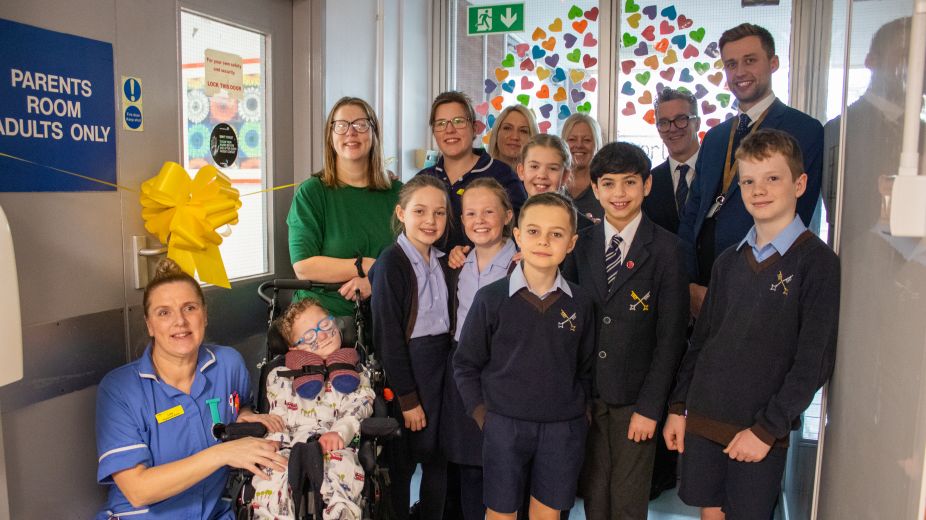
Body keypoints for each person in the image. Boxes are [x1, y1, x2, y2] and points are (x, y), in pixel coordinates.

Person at [663, 130, 840, 520]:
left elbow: (813, 362)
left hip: (761, 428)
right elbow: (702, 342)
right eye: (748, 181)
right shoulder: (728, 260)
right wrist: (678, 406)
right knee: (710, 512)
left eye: (772, 178)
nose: (759, 190)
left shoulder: (817, 263)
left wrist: (767, 430)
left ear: (800, 184)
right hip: (706, 417)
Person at [95, 258, 287, 519]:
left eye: (189, 308)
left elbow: (240, 403)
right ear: (149, 324)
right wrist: (222, 453)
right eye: (164, 312)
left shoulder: (228, 364)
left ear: (204, 315)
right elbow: (138, 490)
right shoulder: (119, 389)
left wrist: (245, 416)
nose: (180, 322)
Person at [562, 142, 688, 519]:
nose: (619, 193)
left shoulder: (667, 250)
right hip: (588, 397)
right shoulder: (580, 245)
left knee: (628, 500)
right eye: (609, 184)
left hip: (636, 401)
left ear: (647, 185)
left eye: (630, 182)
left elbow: (671, 339)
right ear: (595, 188)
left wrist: (651, 407)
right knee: (594, 495)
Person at [454, 192, 595, 520]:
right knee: (501, 512)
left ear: (571, 243)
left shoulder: (581, 303)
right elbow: (465, 363)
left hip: (562, 428)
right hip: (504, 425)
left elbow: (587, 367)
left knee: (547, 513)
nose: (543, 241)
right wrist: (483, 415)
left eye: (556, 234)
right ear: (517, 235)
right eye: (533, 231)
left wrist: (581, 415)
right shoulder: (491, 299)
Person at [678, 23, 823, 319]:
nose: (740, 72)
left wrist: (752, 285)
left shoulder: (804, 130)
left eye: (750, 60)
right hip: (701, 282)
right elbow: (692, 214)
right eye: (731, 64)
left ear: (773, 63)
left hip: (757, 283)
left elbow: (799, 216)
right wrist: (689, 283)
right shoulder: (716, 137)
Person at [369, 175, 458, 520]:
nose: (430, 221)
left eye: (439, 213)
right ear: (401, 213)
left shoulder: (444, 260)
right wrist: (407, 399)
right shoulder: (391, 263)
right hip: (409, 371)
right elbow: (388, 337)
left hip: (442, 369)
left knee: (439, 458)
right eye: (420, 211)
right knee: (403, 463)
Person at [252, 298, 375, 520]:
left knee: (344, 470)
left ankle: (340, 514)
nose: (323, 335)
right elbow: (277, 414)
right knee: (270, 474)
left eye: (325, 325)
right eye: (309, 335)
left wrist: (340, 432)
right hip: (289, 444)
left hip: (336, 446)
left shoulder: (356, 372)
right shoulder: (279, 376)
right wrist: (274, 440)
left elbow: (359, 407)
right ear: (295, 348)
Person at [443, 177, 518, 520]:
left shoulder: (522, 264)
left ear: (508, 215)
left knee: (505, 465)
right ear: (462, 220)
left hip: (505, 373)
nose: (480, 220)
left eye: (489, 211)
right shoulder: (458, 263)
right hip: (465, 373)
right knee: (470, 466)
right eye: (471, 213)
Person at [287, 96, 401, 318]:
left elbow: (416, 259)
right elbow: (303, 267)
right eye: (341, 125)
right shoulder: (312, 193)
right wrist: (364, 265)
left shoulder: (399, 193)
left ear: (374, 133)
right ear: (330, 137)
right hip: (322, 323)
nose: (351, 132)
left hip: (386, 318)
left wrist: (376, 280)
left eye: (361, 124)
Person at [417, 91, 527, 250]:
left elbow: (521, 236)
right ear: (434, 131)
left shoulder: (502, 176)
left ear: (474, 128)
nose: (449, 130)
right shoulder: (422, 180)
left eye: (458, 121)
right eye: (441, 123)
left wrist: (473, 257)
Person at [644, 88, 701, 235]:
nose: (673, 128)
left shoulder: (719, 173)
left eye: (681, 119)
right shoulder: (649, 182)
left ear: (697, 123)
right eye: (664, 122)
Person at [561, 113, 604, 220]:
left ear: (597, 144)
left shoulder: (605, 185)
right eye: (572, 139)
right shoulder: (553, 182)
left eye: (587, 140)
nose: (579, 145)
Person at [488, 105, 539, 171]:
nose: (515, 137)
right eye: (507, 128)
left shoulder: (541, 176)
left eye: (523, 131)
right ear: (496, 133)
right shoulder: (480, 172)